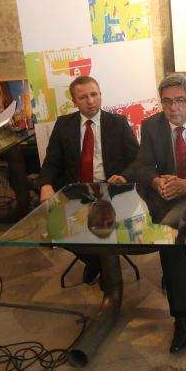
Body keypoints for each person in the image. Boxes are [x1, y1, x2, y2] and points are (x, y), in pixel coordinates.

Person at [112, 73, 186, 352]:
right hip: (165, 195)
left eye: (179, 100)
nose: (173, 108)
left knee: (185, 230)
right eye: (167, 102)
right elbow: (143, 165)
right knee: (168, 236)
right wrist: (157, 182)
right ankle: (184, 318)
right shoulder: (151, 126)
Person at [37, 75, 139, 284]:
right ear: (74, 101)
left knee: (105, 224)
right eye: (83, 97)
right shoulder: (64, 125)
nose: (90, 101)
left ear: (101, 95)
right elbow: (51, 162)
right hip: (76, 190)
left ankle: (105, 271)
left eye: (94, 95)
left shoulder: (118, 123)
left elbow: (138, 160)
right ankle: (95, 261)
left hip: (110, 190)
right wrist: (45, 185)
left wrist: (124, 176)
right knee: (53, 225)